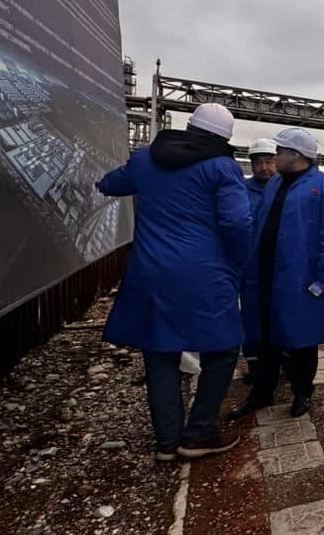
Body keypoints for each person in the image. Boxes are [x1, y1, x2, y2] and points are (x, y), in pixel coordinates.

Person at [97, 103, 250, 462]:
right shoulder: (222, 167)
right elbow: (238, 222)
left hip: (148, 272)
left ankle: (167, 441)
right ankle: (198, 433)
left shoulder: (145, 159)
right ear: (224, 137)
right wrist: (239, 260)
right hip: (204, 276)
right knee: (224, 348)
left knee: (160, 351)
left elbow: (110, 184)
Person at [229, 128, 324, 420]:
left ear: (295, 155)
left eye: (279, 152)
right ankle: (262, 392)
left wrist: (323, 278)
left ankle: (302, 391)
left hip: (301, 279)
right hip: (264, 277)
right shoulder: (274, 184)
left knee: (301, 340)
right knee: (264, 336)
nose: (275, 157)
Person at [240, 137, 279, 385]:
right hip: (251, 268)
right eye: (259, 162)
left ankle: (281, 361)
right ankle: (254, 365)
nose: (264, 167)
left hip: (279, 267)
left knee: (280, 315)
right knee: (251, 317)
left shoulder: (285, 189)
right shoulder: (242, 190)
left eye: (269, 161)